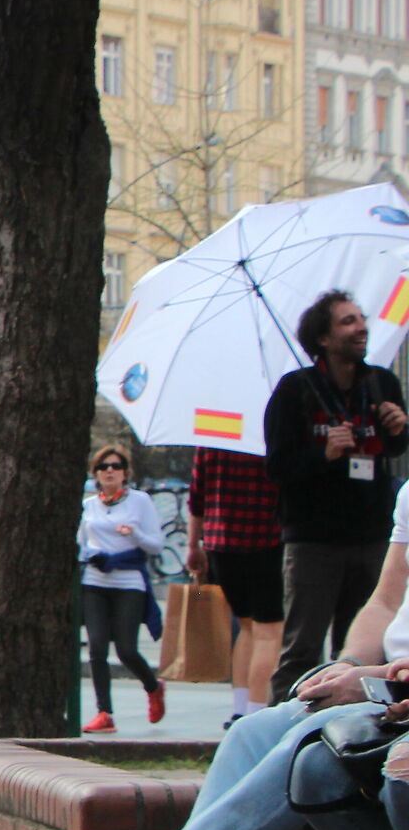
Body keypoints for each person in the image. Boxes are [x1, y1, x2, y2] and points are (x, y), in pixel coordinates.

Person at [34, 479, 409, 830]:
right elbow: (385, 602)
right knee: (252, 732)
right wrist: (348, 664)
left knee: (314, 743)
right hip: (383, 686)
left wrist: (378, 680)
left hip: (398, 694)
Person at [266, 290, 409, 698]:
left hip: (372, 533)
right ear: (323, 338)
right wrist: (323, 454)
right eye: (347, 321)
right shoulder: (295, 390)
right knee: (302, 648)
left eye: (361, 318)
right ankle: (286, 719)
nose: (361, 327)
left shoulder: (380, 382)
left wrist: (399, 431)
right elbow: (278, 468)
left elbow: (393, 450)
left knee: (361, 645)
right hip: (314, 540)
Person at [187, 447, 284, 725]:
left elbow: (197, 496)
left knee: (246, 626)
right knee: (269, 631)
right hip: (267, 538)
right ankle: (257, 711)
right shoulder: (265, 436)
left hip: (221, 542)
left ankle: (240, 707)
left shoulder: (214, 435)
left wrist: (194, 545)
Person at [77, 446, 167, 733]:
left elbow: (156, 545)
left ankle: (153, 687)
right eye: (103, 467)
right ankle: (104, 713)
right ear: (96, 474)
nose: (109, 471)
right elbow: (81, 543)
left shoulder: (139, 501)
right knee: (97, 647)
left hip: (129, 582)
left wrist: (134, 533)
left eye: (116, 466)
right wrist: (92, 556)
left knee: (127, 649)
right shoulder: (90, 505)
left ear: (126, 472)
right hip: (95, 582)